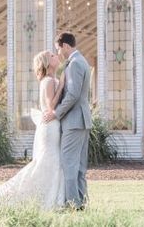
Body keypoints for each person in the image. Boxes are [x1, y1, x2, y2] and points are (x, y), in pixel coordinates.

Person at [0, 50, 66, 210]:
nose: (55, 56)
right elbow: (51, 106)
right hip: (50, 127)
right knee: (47, 161)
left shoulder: (51, 79)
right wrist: (62, 85)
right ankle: (43, 198)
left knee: (51, 161)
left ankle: (51, 197)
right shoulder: (49, 81)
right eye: (52, 56)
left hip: (51, 126)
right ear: (46, 63)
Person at [43, 32, 92, 210]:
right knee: (79, 167)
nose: (59, 53)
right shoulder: (81, 61)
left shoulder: (75, 64)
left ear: (65, 45)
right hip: (82, 121)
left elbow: (72, 95)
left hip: (74, 121)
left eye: (58, 48)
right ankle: (81, 203)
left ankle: (72, 204)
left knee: (69, 164)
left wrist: (56, 113)